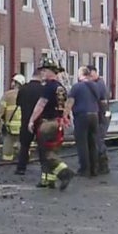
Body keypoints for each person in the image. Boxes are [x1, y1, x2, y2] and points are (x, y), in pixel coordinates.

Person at [26, 61, 73, 189]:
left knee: (45, 152)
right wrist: (65, 118)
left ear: (50, 71)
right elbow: (66, 105)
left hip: (47, 123)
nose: (42, 73)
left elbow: (41, 105)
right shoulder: (61, 87)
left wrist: (31, 120)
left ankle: (64, 172)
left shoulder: (48, 87)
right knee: (52, 150)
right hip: (58, 123)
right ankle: (47, 180)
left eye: (44, 71)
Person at [65, 65, 103, 178]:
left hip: (82, 116)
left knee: (82, 144)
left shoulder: (77, 87)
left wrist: (65, 115)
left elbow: (70, 102)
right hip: (94, 116)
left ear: (80, 75)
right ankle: (94, 169)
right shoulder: (96, 86)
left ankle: (84, 169)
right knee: (93, 143)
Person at [13, 67, 46, 176]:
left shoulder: (23, 89)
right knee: (42, 146)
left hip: (26, 120)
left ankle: (21, 168)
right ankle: (44, 169)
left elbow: (18, 103)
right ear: (40, 76)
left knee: (24, 146)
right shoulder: (43, 89)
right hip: (40, 121)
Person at [88, 69, 112, 172]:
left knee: (98, 139)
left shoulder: (99, 85)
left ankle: (102, 165)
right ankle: (100, 165)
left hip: (101, 116)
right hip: (103, 115)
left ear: (94, 72)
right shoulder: (101, 84)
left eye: (89, 74)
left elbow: (102, 102)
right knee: (97, 139)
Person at [0, 74, 26, 161]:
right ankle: (24, 158)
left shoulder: (8, 95)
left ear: (15, 83)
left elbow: (0, 110)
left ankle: (7, 160)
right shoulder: (27, 94)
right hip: (23, 126)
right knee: (23, 144)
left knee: (8, 144)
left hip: (10, 126)